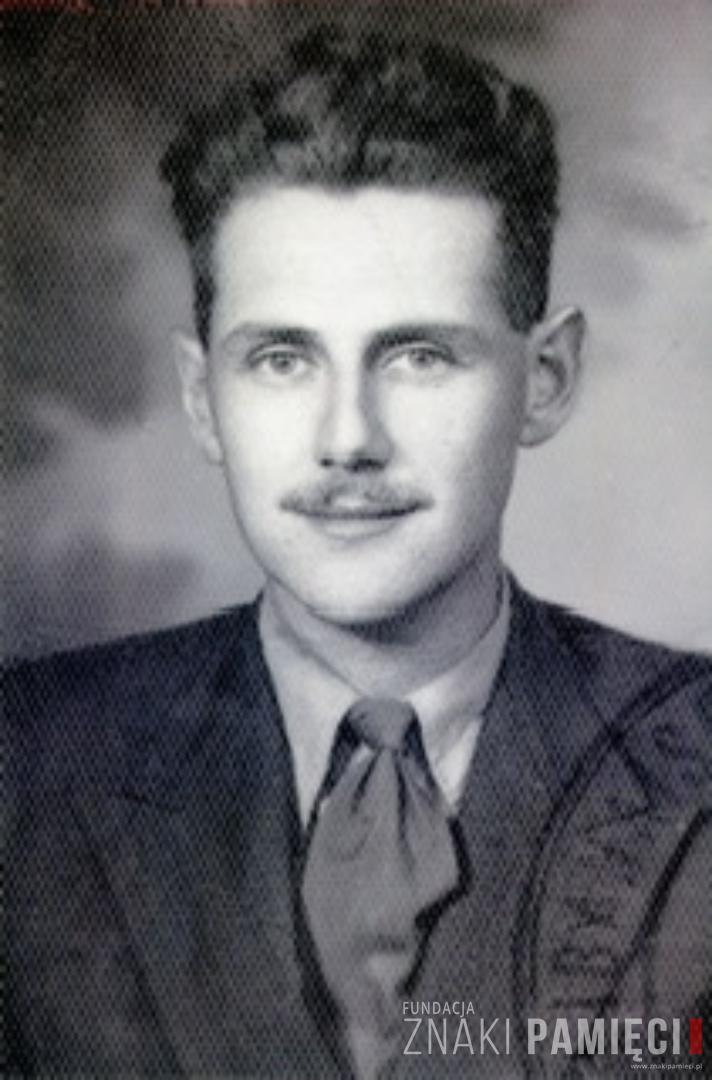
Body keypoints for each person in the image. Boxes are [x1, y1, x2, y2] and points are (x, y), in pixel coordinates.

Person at [6, 24, 711, 1079]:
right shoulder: (25, 766)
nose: (347, 439)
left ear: (547, 377)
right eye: (281, 359)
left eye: (419, 355)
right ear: (202, 399)